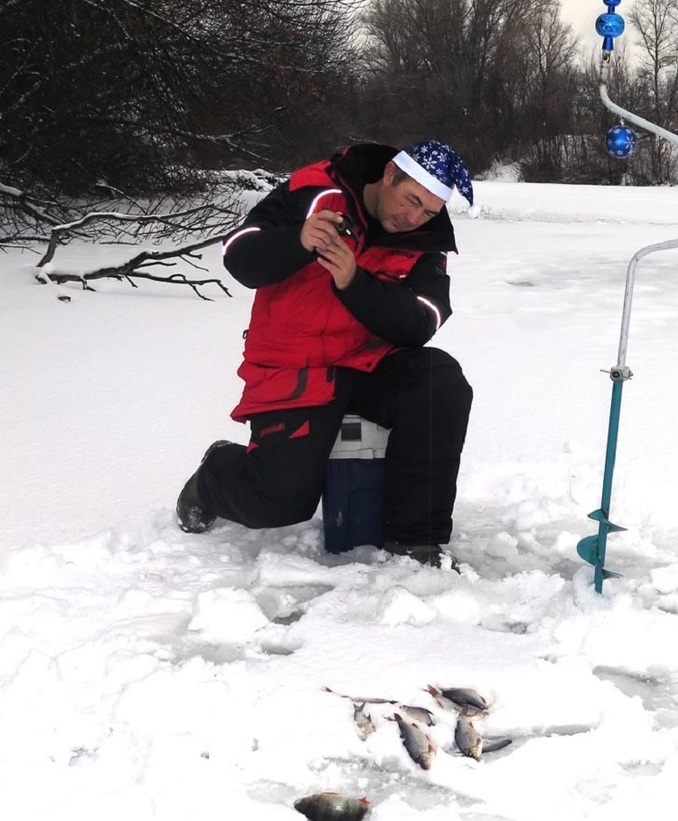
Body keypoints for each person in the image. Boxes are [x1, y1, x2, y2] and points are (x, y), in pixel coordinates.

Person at [176, 138, 474, 566]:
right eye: (410, 201)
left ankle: (413, 540)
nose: (413, 218)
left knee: (439, 382)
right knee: (279, 504)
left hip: (371, 364)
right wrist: (296, 240)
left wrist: (355, 284)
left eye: (427, 211)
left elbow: (420, 322)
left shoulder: (427, 239)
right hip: (296, 364)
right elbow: (238, 256)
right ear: (390, 174)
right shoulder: (317, 191)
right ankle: (213, 475)